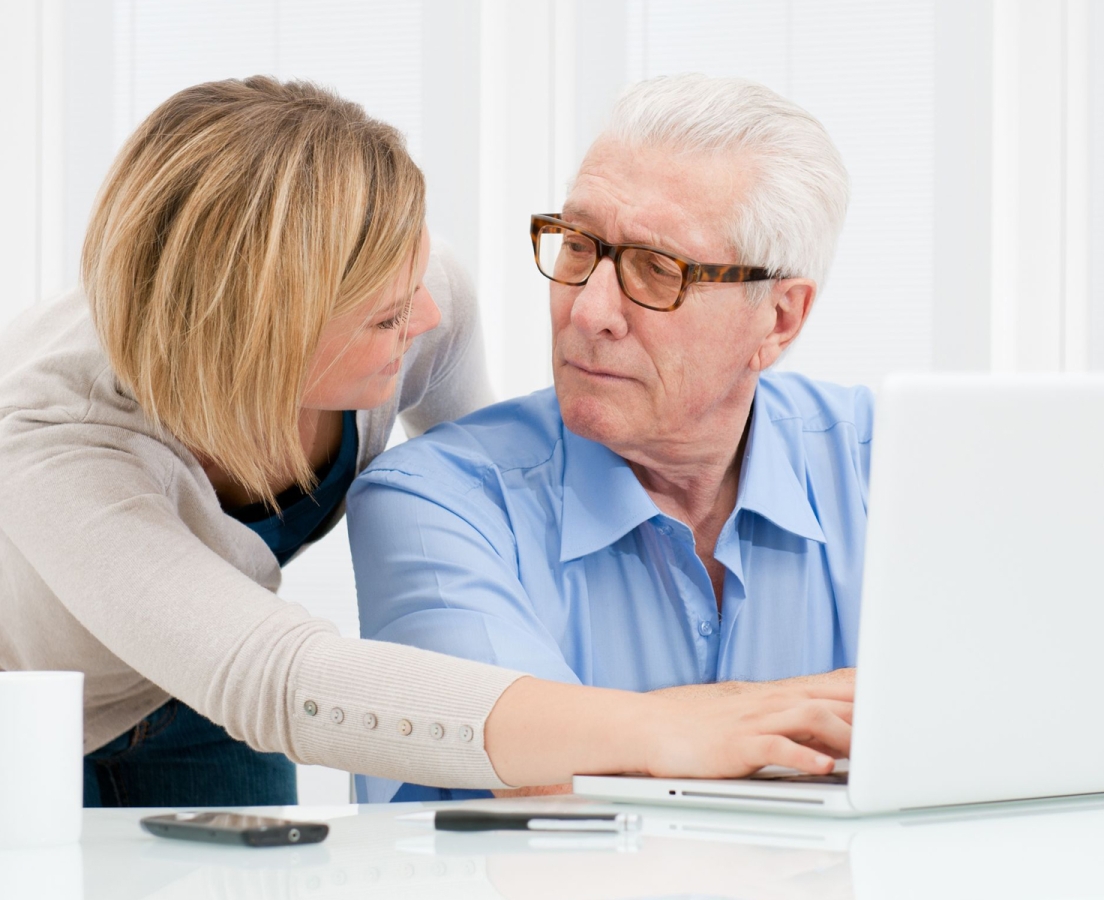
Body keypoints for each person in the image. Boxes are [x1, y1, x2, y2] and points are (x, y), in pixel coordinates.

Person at [0, 76, 852, 809]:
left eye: (412, 279)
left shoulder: (417, 299)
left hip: (199, 701)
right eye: (383, 315)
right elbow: (279, 677)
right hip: (34, 716)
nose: (429, 319)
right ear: (264, 337)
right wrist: (676, 726)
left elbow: (508, 508)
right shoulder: (57, 438)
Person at [348, 74, 868, 803]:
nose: (589, 311)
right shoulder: (433, 500)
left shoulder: (889, 466)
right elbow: (533, 785)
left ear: (778, 319)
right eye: (578, 246)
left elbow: (1002, 712)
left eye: (658, 270)